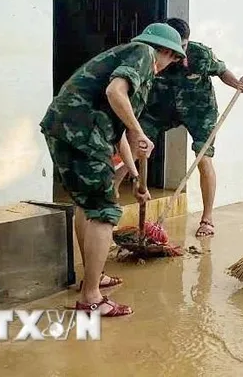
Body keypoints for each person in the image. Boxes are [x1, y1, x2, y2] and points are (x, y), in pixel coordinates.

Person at [40, 22, 186, 317]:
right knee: (105, 210)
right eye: (172, 59)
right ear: (167, 52)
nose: (168, 66)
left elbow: (117, 131)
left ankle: (91, 279)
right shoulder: (143, 53)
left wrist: (136, 177)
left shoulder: (127, 57)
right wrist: (139, 132)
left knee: (87, 205)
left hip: (68, 129)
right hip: (82, 132)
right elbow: (115, 92)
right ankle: (91, 298)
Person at [110, 18, 243, 237]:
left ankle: (207, 219)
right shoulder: (151, 54)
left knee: (204, 158)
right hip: (160, 108)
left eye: (183, 46)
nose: (179, 53)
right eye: (174, 48)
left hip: (199, 110)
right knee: (135, 145)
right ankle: (111, 197)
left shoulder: (201, 54)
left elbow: (221, 70)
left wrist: (237, 84)